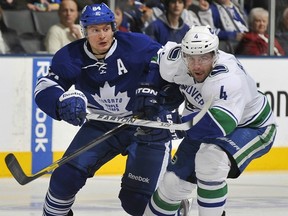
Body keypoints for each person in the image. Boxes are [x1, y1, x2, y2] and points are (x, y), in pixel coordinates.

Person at [35, 3, 175, 216]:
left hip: (147, 125)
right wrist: (60, 102)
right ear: (84, 31)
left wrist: (166, 102)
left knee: (136, 202)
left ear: (113, 28)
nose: (102, 35)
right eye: (94, 30)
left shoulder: (138, 46)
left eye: (106, 28)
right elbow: (45, 87)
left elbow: (172, 70)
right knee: (64, 179)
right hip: (102, 123)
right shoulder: (70, 56)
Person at [144, 25, 277, 216]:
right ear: (184, 55)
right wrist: (148, 93)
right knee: (173, 184)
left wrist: (174, 126)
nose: (197, 65)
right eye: (191, 58)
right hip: (201, 121)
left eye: (204, 58)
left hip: (252, 125)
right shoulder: (176, 59)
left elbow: (221, 124)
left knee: (210, 160)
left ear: (215, 55)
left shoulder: (228, 77)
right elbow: (156, 60)